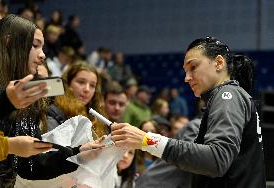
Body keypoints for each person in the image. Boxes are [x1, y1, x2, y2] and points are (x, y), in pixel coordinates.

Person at [111, 36, 265, 188]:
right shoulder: (231, 95)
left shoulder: (228, 94)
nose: (186, 78)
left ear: (218, 63)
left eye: (193, 67)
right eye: (185, 71)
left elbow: (217, 160)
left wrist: (147, 140)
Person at [0, 14, 102, 187]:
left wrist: (77, 153)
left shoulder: (27, 93)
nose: (43, 55)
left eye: (43, 47)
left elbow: (31, 166)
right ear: (9, 42)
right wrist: (8, 145)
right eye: (35, 45)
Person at [46, 62, 108, 138]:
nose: (87, 89)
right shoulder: (53, 112)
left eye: (92, 85)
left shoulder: (97, 118)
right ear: (68, 84)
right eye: (81, 82)